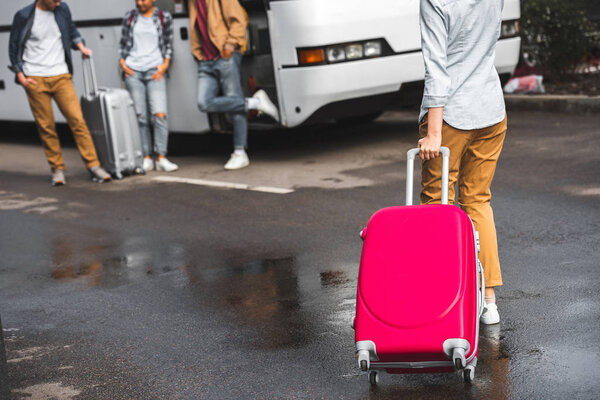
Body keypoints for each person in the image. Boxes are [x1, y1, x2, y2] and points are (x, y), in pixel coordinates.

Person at [417, 0, 508, 324]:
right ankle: (488, 302)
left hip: (452, 115)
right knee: (478, 201)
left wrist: (433, 133)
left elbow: (436, 66)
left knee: (436, 205)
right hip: (490, 108)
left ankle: (440, 297)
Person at [8, 0, 112, 186]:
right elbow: (14, 47)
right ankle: (57, 169)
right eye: (54, 0)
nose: (58, 3)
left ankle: (94, 165)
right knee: (46, 126)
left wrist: (81, 47)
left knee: (78, 121)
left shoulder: (62, 9)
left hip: (61, 75)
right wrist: (21, 77)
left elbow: (71, 31)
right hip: (35, 78)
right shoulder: (23, 16)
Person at [188, 0, 279, 170]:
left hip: (225, 56)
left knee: (234, 101)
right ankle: (255, 103)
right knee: (204, 102)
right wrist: (198, 53)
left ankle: (240, 152)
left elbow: (238, 19)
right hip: (206, 61)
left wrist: (229, 46)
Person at [119, 0, 178, 173]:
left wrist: (165, 65)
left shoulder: (163, 17)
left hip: (155, 70)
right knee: (141, 117)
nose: (140, 3)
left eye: (144, 0)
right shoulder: (129, 18)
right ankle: (146, 157)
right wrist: (123, 64)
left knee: (160, 114)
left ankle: (161, 157)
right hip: (134, 71)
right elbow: (122, 44)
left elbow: (168, 44)